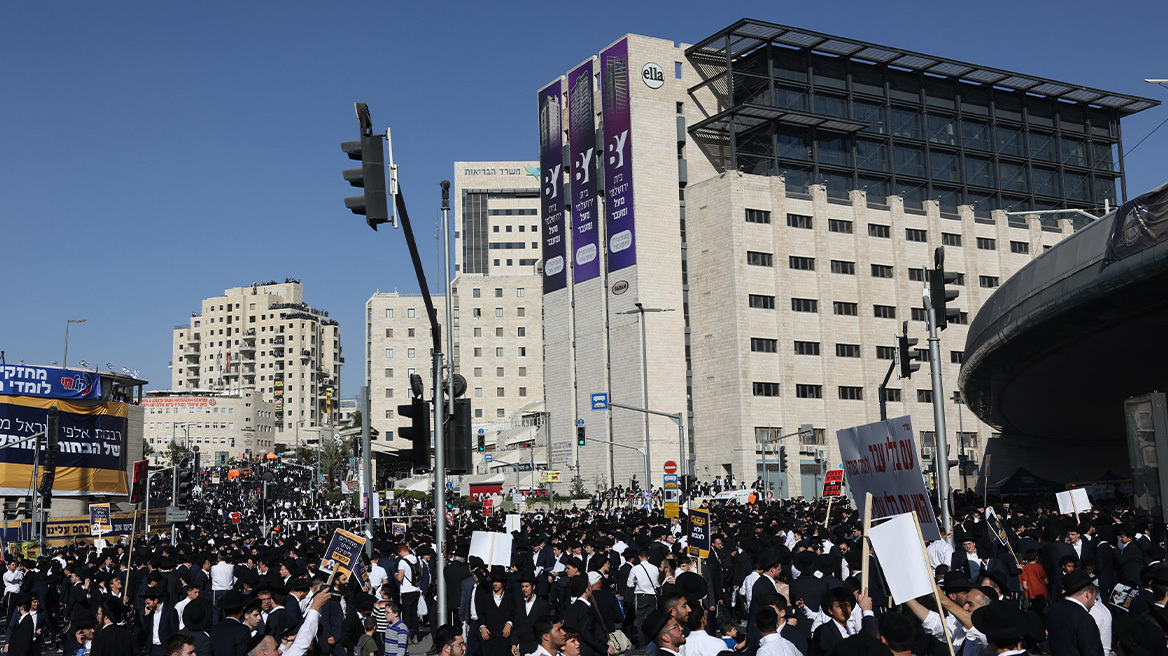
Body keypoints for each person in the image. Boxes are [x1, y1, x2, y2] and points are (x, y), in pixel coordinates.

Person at [1044, 570, 1104, 656]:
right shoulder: (1084, 619)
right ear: (1088, 594)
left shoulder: (1053, 610)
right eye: (1094, 598)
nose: (1094, 602)